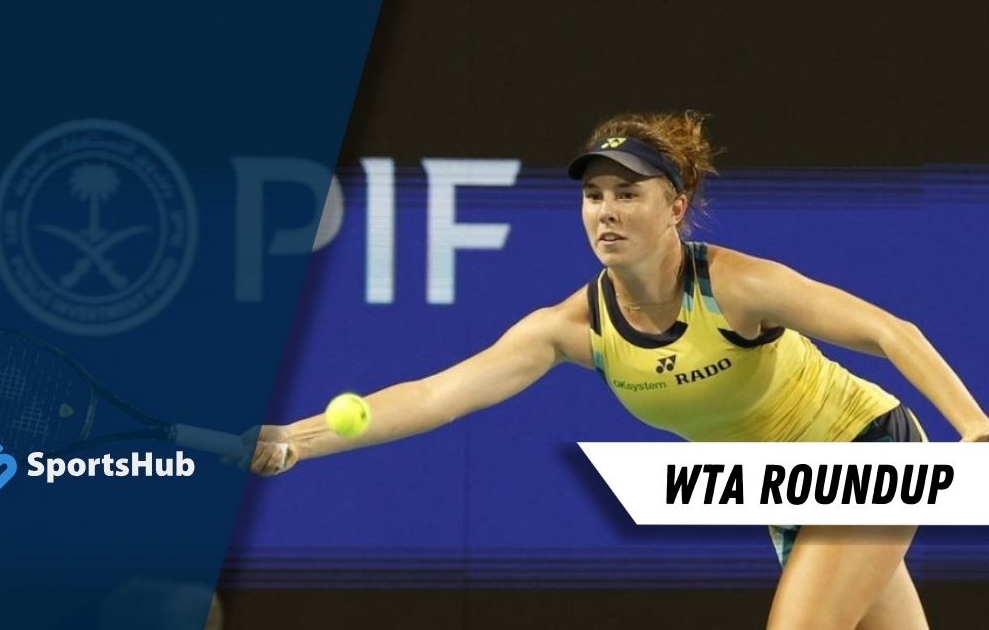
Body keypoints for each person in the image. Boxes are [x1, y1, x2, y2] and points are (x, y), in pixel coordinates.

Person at [249, 110, 989, 630]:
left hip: (866, 449)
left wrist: (975, 426)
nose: (606, 212)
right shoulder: (572, 328)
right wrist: (298, 437)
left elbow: (892, 332)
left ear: (676, 206)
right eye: (594, 195)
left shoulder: (739, 286)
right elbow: (436, 395)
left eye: (628, 194)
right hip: (784, 496)